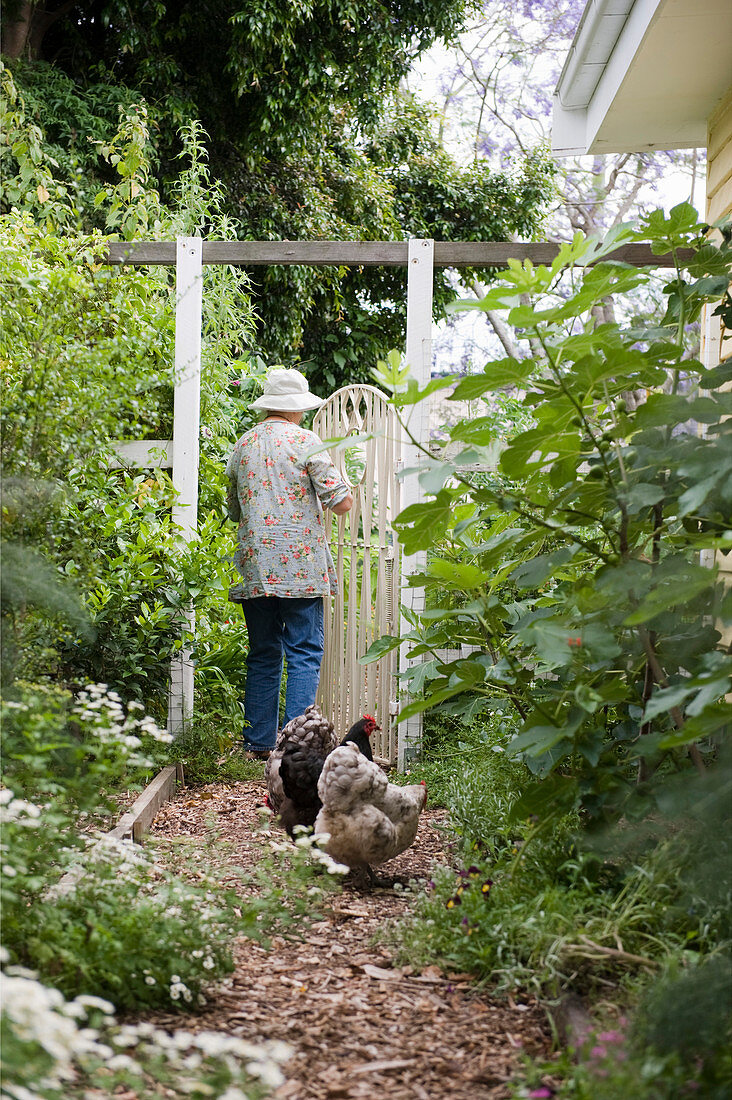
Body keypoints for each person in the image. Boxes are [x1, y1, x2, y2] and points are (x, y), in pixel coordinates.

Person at [226, 368, 353, 759]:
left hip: (255, 567)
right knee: (303, 651)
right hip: (299, 566)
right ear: (296, 409)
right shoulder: (305, 441)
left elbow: (234, 510)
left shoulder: (242, 445)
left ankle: (258, 744)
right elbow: (342, 503)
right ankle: (296, 751)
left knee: (264, 651)